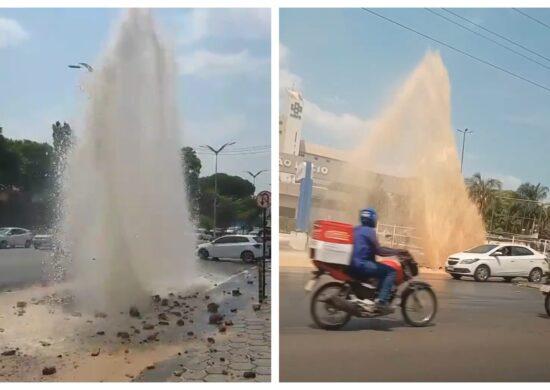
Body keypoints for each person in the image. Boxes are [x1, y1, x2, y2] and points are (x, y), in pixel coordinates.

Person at [348, 207, 406, 313]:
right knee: (390, 271)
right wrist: (396, 251)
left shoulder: (356, 229)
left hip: (351, 264)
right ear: (372, 218)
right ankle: (381, 302)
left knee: (378, 268)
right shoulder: (370, 231)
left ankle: (373, 294)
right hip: (362, 265)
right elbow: (379, 251)